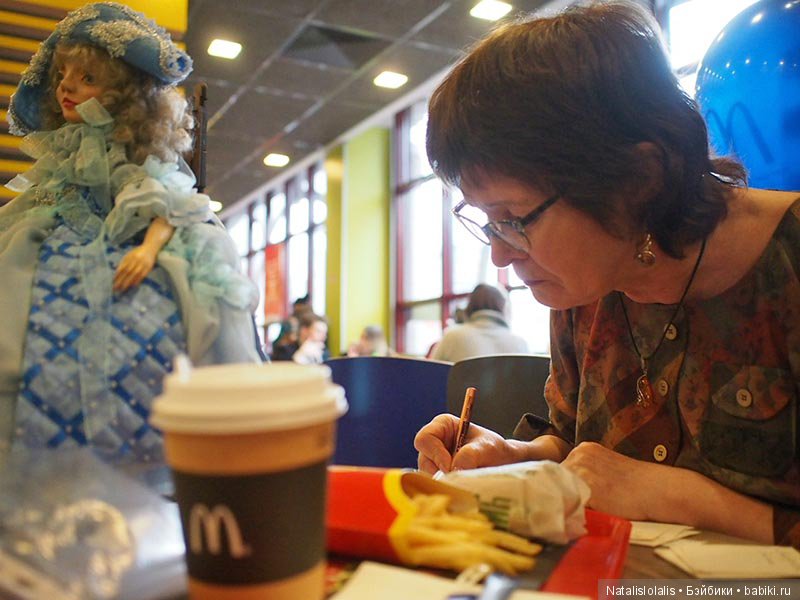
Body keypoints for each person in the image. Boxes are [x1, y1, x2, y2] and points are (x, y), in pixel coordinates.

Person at [414, 1, 800, 549]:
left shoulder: (787, 262)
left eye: (514, 220)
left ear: (637, 180)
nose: (500, 257)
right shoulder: (582, 284)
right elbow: (576, 446)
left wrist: (680, 497)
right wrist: (512, 459)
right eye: (487, 223)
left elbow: (626, 482)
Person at [0, 3, 260, 475]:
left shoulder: (141, 166)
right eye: (63, 74)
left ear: (125, 95)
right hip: (57, 228)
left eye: (88, 78)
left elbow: (173, 204)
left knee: (200, 296)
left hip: (136, 237)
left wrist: (148, 247)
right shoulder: (63, 157)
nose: (66, 87)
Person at [430, 283, 528, 362]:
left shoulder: (452, 337)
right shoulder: (520, 344)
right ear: (503, 307)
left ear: (469, 305)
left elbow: (432, 376)